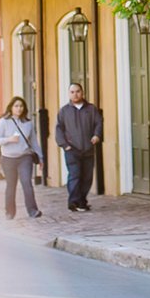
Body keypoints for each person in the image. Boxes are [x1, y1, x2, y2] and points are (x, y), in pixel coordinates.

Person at [54, 82, 103, 212]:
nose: (75, 94)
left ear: (82, 93)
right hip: (72, 149)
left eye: (77, 91)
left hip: (88, 148)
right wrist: (65, 145)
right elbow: (59, 129)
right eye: (72, 92)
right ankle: (73, 202)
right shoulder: (64, 111)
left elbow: (98, 123)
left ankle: (82, 201)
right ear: (69, 94)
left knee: (87, 177)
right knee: (74, 175)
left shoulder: (91, 109)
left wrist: (97, 135)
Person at [0, 97, 43, 220]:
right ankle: (9, 212)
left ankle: (33, 211)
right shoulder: (4, 122)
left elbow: (34, 142)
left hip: (24, 157)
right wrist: (9, 139)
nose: (19, 108)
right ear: (11, 107)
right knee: (11, 185)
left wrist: (41, 158)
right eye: (16, 106)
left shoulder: (28, 123)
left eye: (21, 106)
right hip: (8, 159)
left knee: (27, 183)